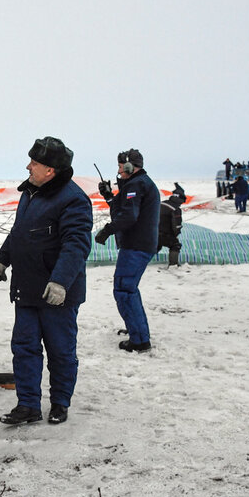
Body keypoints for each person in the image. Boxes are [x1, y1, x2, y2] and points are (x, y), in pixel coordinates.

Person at [0, 137, 92, 425]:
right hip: (26, 288)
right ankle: (28, 405)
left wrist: (60, 281)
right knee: (24, 349)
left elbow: (76, 244)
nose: (28, 166)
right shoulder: (29, 193)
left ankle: (60, 402)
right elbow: (19, 232)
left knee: (60, 351)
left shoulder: (73, 199)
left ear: (50, 170)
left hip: (56, 294)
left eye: (34, 163)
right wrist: (3, 258)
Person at [95, 148, 159, 353]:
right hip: (137, 245)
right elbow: (122, 210)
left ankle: (140, 340)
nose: (119, 171)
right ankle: (136, 329)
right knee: (128, 289)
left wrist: (107, 230)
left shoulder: (137, 185)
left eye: (121, 167)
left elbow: (128, 217)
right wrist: (109, 195)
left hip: (136, 246)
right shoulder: (134, 185)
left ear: (131, 166)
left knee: (125, 290)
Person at [159, 184, 185, 266]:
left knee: (154, 247)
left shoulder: (161, 204)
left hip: (151, 232)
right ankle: (173, 265)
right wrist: (175, 235)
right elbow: (176, 226)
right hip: (164, 234)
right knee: (175, 245)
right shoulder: (175, 209)